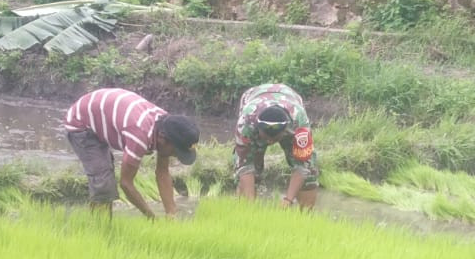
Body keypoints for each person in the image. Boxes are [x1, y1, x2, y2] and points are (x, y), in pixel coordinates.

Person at [62, 87, 199, 220]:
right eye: (176, 151)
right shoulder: (139, 134)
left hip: (105, 114)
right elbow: (126, 184)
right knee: (103, 180)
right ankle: (100, 230)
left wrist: (171, 213)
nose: (175, 155)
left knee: (106, 172)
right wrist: (151, 218)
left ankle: (101, 226)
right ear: (163, 138)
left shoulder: (169, 126)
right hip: (81, 122)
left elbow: (162, 173)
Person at [232, 83, 319, 210]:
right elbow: (244, 166)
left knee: (309, 176)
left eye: (275, 139)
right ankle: (244, 213)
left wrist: (288, 200)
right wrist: (250, 208)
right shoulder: (247, 122)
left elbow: (303, 166)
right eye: (266, 138)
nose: (270, 142)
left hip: (289, 97)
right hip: (253, 97)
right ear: (257, 129)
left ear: (285, 131)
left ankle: (306, 219)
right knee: (250, 175)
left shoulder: (298, 122)